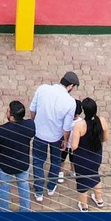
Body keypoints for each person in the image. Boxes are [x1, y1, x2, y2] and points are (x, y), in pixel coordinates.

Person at [29, 70, 80, 201]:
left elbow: (32, 110)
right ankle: (51, 186)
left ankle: (38, 191)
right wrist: (65, 140)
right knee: (56, 160)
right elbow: (67, 127)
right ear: (70, 86)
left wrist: (36, 123)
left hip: (39, 133)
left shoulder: (42, 89)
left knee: (38, 161)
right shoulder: (70, 102)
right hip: (56, 137)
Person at [0, 99, 37, 212]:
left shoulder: (3, 130)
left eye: (8, 111)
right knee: (24, 187)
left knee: (4, 188)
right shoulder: (30, 125)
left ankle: (3, 211)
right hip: (23, 163)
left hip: (5, 165)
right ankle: (25, 210)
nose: (6, 112)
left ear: (12, 117)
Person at [67, 97, 106, 211]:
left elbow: (74, 146)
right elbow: (105, 138)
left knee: (82, 181)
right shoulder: (102, 120)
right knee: (95, 175)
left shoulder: (79, 125)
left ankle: (84, 206)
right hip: (96, 155)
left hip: (82, 159)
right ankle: (99, 200)